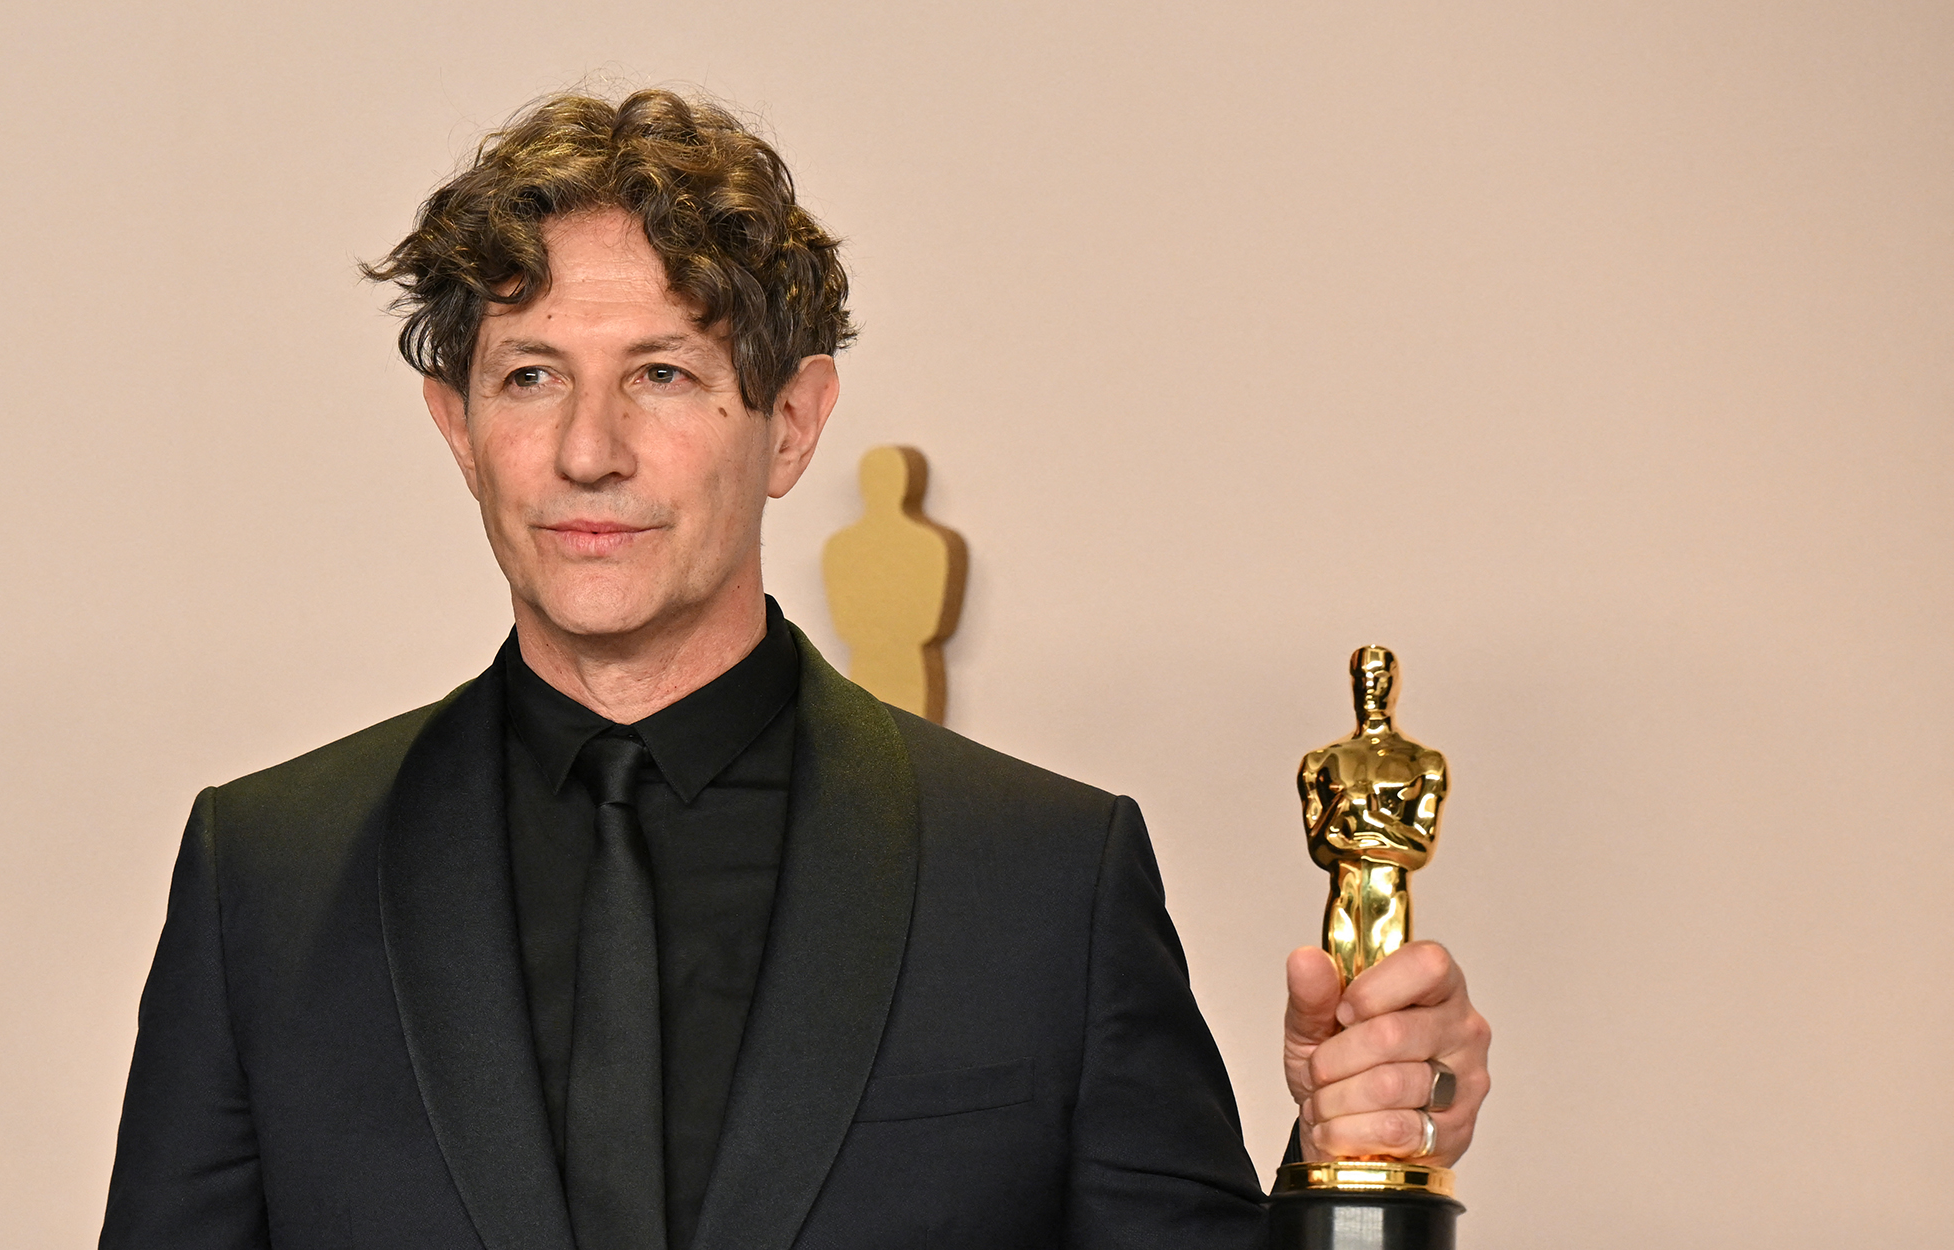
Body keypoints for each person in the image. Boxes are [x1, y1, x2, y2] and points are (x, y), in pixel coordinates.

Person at [99, 89, 1491, 1250]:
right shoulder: (264, 880)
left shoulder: (1046, 881)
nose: (589, 449)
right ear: (456, 427)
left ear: (793, 423)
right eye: (529, 376)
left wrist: (1356, 1172)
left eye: (662, 374)